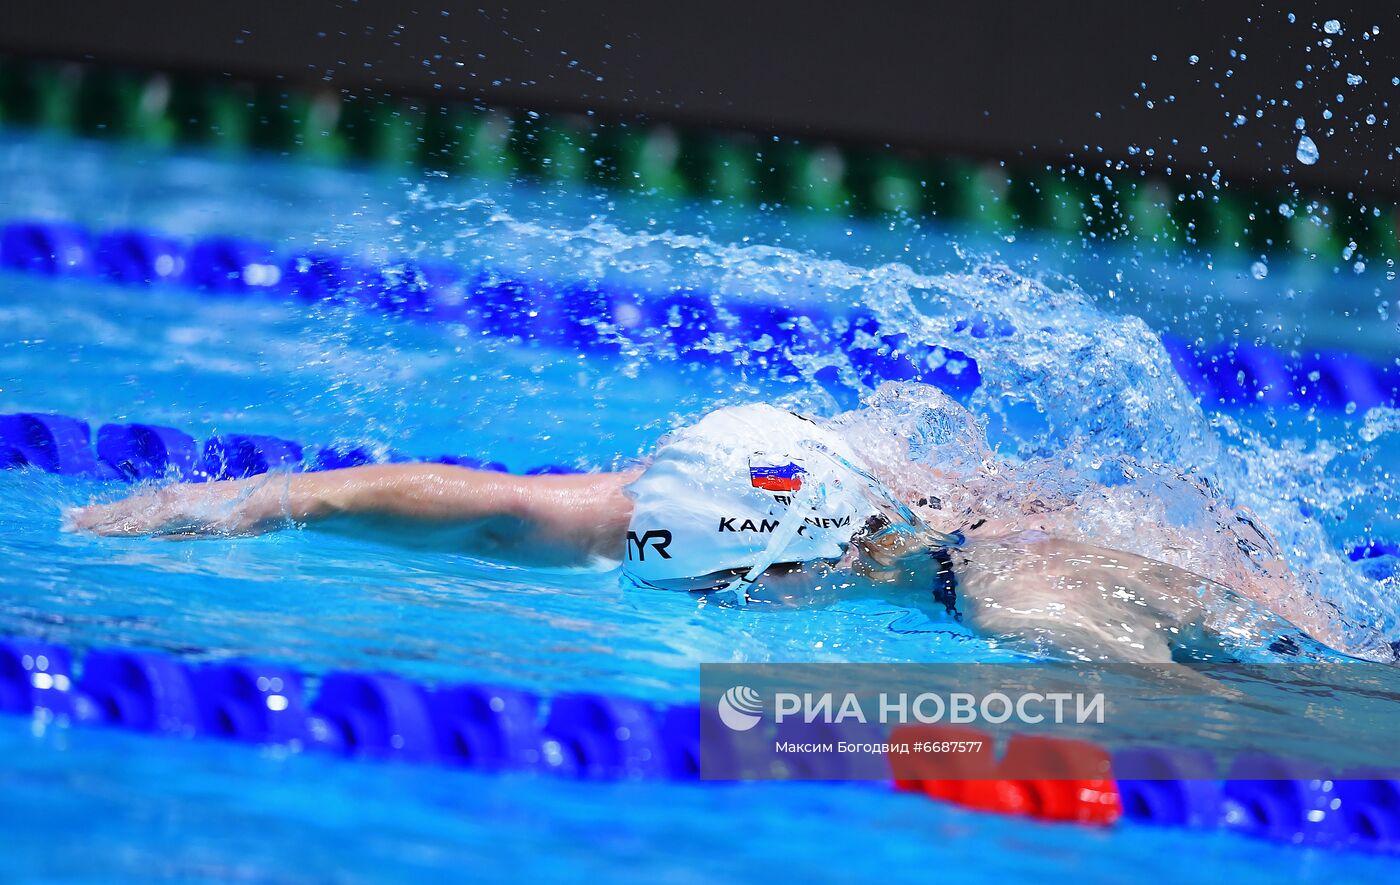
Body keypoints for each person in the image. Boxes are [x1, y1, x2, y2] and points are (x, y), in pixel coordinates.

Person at [65, 385, 1396, 665]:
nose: (735, 612)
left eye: (738, 589)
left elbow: (1277, 727)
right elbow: (484, 512)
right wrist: (235, 501)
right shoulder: (644, 513)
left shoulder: (1026, 601)